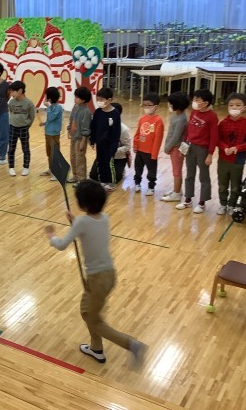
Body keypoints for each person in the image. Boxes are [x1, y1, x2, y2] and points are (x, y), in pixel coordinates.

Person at [44, 179, 147, 366]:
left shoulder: (81, 223)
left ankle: (131, 344)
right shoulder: (104, 218)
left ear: (82, 204)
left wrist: (51, 236)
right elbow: (89, 229)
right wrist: (75, 222)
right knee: (86, 312)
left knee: (94, 321)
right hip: (109, 275)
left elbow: (62, 245)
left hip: (96, 279)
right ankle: (96, 348)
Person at [176, 89, 218, 213]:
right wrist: (183, 148)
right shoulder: (194, 112)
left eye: (197, 100)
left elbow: (214, 137)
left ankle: (202, 202)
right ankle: (188, 199)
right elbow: (188, 131)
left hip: (202, 149)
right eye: (194, 99)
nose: (194, 102)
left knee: (203, 176)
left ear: (205, 103)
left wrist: (210, 154)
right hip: (190, 146)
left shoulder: (212, 117)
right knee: (189, 174)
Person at [216, 92, 246, 215]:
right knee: (222, 184)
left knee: (235, 185)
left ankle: (232, 204)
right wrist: (224, 148)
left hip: (238, 160)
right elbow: (218, 139)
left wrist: (238, 148)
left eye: (238, 105)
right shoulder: (223, 123)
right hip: (223, 159)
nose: (234, 107)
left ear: (244, 107)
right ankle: (223, 204)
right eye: (231, 105)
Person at [89, 102, 131, 184]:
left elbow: (127, 147)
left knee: (115, 178)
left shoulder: (124, 130)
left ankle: (121, 170)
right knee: (93, 175)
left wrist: (112, 150)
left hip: (118, 158)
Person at [160, 92, 190, 203]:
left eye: (171, 103)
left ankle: (176, 194)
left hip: (177, 147)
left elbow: (176, 136)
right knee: (175, 170)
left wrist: (168, 147)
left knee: (177, 171)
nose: (169, 105)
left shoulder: (181, 119)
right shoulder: (176, 115)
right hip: (173, 146)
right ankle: (177, 190)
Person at [133, 93, 164, 196]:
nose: (146, 107)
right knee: (138, 168)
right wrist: (135, 144)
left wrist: (154, 154)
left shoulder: (158, 121)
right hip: (140, 150)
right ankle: (137, 183)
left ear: (156, 107)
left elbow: (158, 139)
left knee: (151, 170)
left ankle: (151, 187)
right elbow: (138, 133)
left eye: (149, 105)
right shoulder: (142, 118)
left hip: (150, 152)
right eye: (144, 105)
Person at [90, 88, 120, 192]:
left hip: (110, 144)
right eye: (97, 99)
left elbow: (116, 132)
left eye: (101, 99)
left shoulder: (115, 113)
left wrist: (114, 146)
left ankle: (111, 182)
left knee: (109, 163)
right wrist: (92, 140)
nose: (99, 101)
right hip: (100, 143)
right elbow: (93, 127)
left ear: (109, 100)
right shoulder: (98, 112)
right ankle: (102, 181)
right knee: (100, 162)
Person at [7, 81, 36, 176]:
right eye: (11, 91)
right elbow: (11, 112)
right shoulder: (11, 102)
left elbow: (32, 117)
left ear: (20, 91)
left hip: (23, 128)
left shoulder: (29, 103)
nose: (11, 94)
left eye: (13, 91)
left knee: (25, 149)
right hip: (12, 127)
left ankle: (26, 167)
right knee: (11, 148)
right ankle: (11, 167)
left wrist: (26, 125)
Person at [67, 86, 92, 185]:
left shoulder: (86, 111)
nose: (75, 99)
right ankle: (75, 176)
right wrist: (69, 129)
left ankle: (82, 179)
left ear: (83, 100)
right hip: (74, 137)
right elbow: (71, 118)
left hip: (80, 139)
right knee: (73, 157)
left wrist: (83, 141)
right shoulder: (75, 107)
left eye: (77, 97)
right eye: (75, 96)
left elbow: (86, 128)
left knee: (80, 159)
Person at [40, 87, 63, 180]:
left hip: (54, 134)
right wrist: (44, 123)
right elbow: (50, 120)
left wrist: (48, 107)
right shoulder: (51, 107)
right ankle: (51, 169)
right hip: (48, 132)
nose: (45, 98)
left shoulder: (58, 107)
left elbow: (51, 117)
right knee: (49, 153)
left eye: (46, 96)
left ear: (49, 98)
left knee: (55, 153)